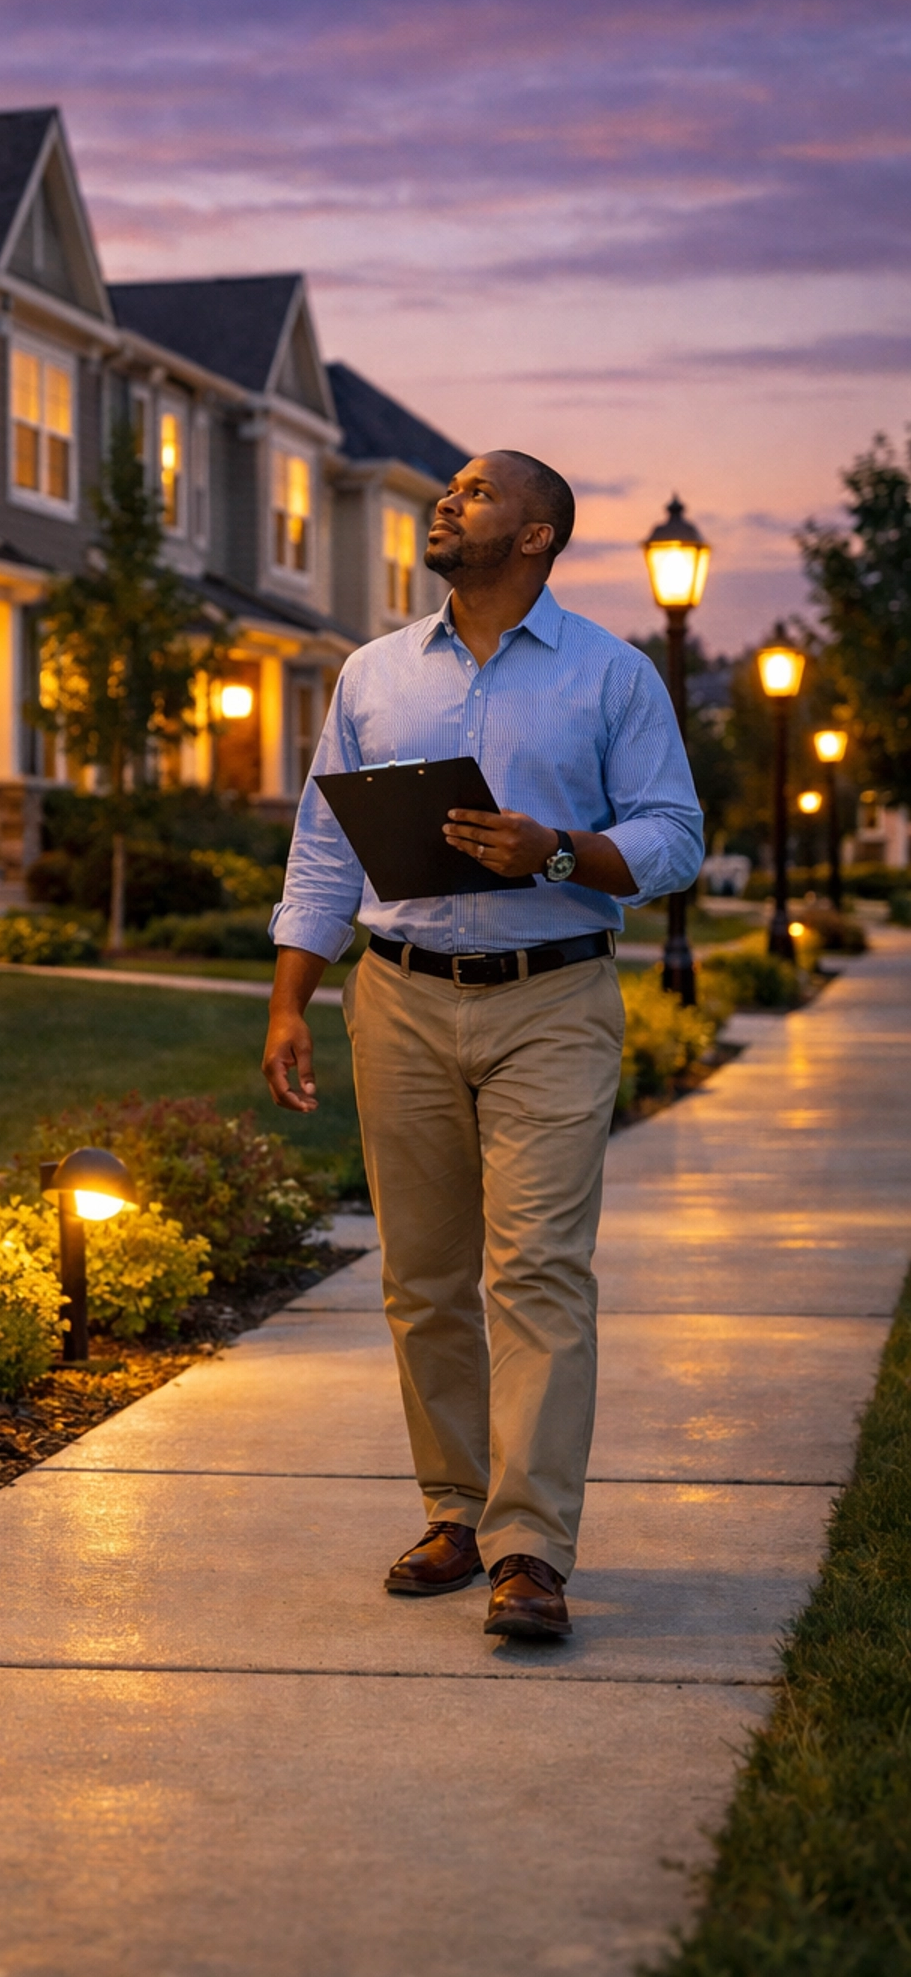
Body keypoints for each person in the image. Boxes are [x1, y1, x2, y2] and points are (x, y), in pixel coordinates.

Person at [261, 453, 703, 1639]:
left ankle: (531, 1548)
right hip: (397, 998)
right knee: (423, 1278)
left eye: (476, 492)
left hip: (550, 999)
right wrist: (290, 996)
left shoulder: (612, 675)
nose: (446, 503)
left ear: (537, 536)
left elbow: (673, 838)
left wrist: (554, 850)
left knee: (541, 1271)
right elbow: (324, 844)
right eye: (445, 488)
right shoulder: (372, 673)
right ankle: (456, 1513)